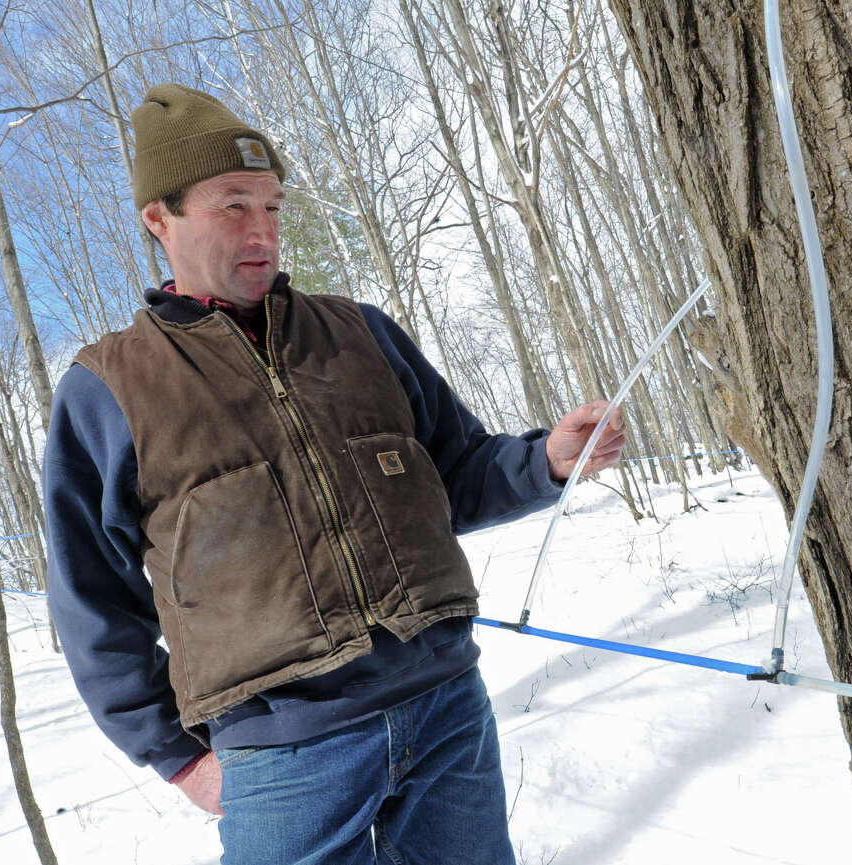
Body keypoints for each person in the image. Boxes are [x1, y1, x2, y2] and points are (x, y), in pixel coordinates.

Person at [44, 83, 626, 865]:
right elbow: (92, 603)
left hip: (444, 707)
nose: (264, 231)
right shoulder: (108, 388)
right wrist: (176, 755)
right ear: (160, 218)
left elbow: (452, 474)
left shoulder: (360, 334)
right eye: (234, 206)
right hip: (286, 755)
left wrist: (545, 459)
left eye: (274, 207)